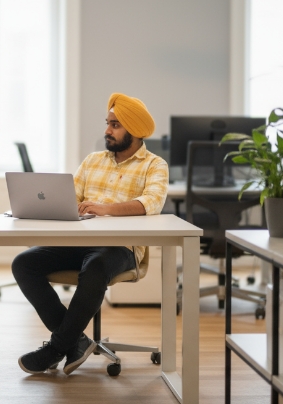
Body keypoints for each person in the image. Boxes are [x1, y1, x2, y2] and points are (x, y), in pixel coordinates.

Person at [12, 92, 169, 375]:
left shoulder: (154, 165)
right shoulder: (93, 160)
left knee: (96, 266)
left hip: (121, 249)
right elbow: (69, 197)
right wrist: (45, 204)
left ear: (134, 130)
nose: (107, 130)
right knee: (24, 263)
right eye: (107, 123)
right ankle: (77, 340)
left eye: (115, 125)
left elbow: (151, 203)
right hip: (79, 242)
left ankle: (56, 347)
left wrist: (106, 209)